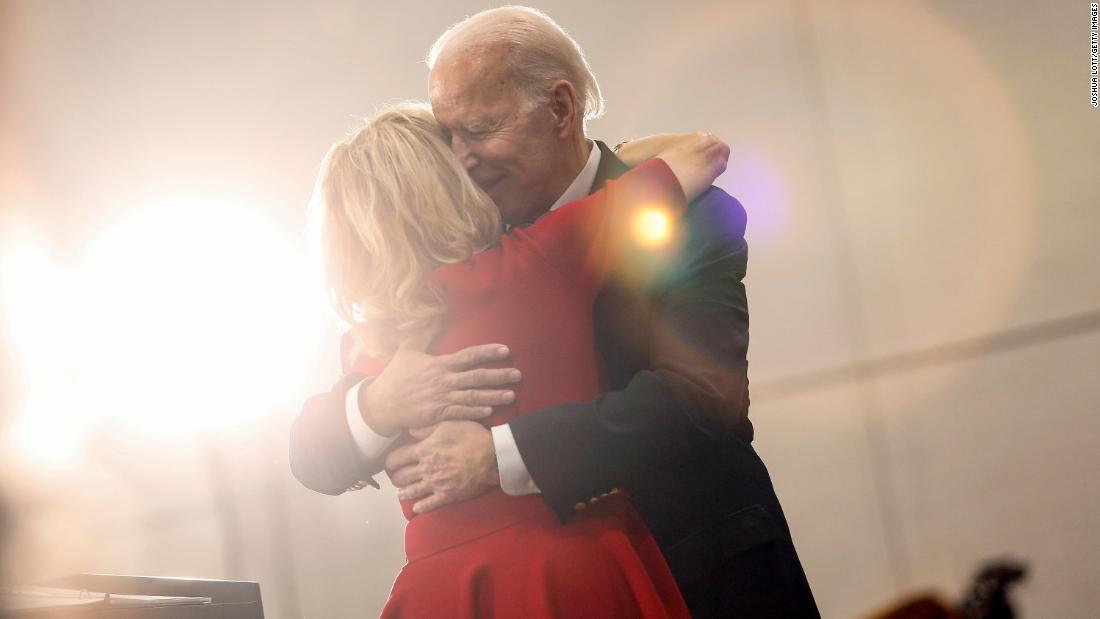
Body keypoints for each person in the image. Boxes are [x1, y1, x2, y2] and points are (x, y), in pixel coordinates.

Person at [291, 6, 819, 617]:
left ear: (562, 110)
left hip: (697, 570)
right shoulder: (462, 251)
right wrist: (377, 404)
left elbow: (702, 397)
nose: (461, 158)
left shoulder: (684, 216)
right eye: (449, 137)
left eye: (482, 129)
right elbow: (312, 454)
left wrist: (500, 455)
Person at [311, 102, 726, 616]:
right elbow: (702, 154)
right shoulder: (543, 255)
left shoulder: (365, 348)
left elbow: (317, 456)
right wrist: (617, 156)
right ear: (451, 180)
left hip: (435, 593)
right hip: (567, 568)